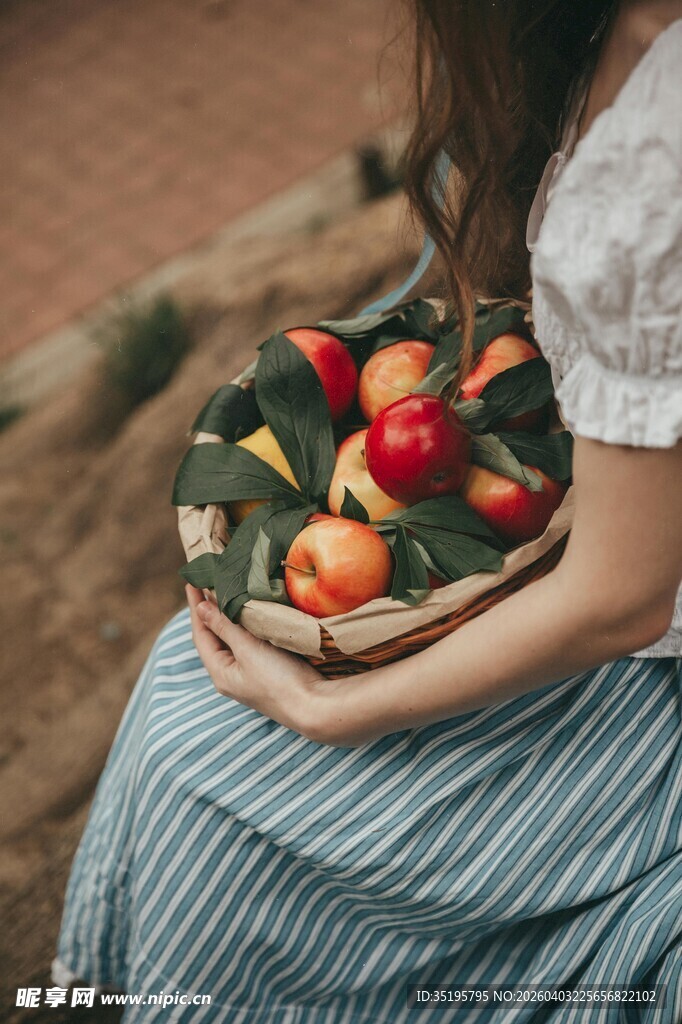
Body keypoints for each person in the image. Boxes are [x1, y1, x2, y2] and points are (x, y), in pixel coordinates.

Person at [54, 1, 682, 1020]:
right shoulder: (607, 32)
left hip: (637, 653)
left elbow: (620, 602)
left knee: (203, 772)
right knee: (182, 682)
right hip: (596, 534)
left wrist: (331, 709)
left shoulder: (655, 160)